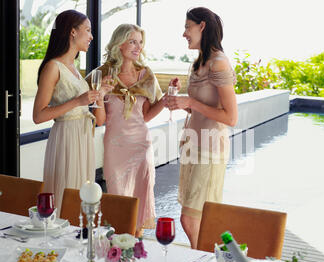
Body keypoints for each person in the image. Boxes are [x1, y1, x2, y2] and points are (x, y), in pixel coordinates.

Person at [167, 7, 238, 248]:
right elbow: (200, 107)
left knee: (191, 218)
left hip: (209, 149)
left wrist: (191, 101)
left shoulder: (219, 64)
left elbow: (230, 117)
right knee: (193, 216)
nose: (184, 33)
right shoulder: (199, 63)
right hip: (193, 145)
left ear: (202, 27)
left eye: (188, 27)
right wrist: (181, 102)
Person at [33, 10, 111, 213]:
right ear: (73, 32)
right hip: (66, 138)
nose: (91, 36)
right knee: (65, 196)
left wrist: (100, 93)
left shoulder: (75, 69)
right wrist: (78, 100)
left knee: (80, 198)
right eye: (88, 30)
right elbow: (38, 115)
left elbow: (99, 118)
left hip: (83, 138)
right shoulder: (53, 67)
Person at [90, 24, 165, 238]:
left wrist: (166, 100)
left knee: (140, 199)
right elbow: (100, 121)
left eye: (140, 42)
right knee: (119, 198)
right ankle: (121, 246)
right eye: (132, 41)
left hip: (141, 145)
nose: (138, 47)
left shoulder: (146, 74)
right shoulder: (102, 74)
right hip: (115, 146)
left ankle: (136, 247)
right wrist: (101, 92)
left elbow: (147, 115)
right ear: (119, 44)